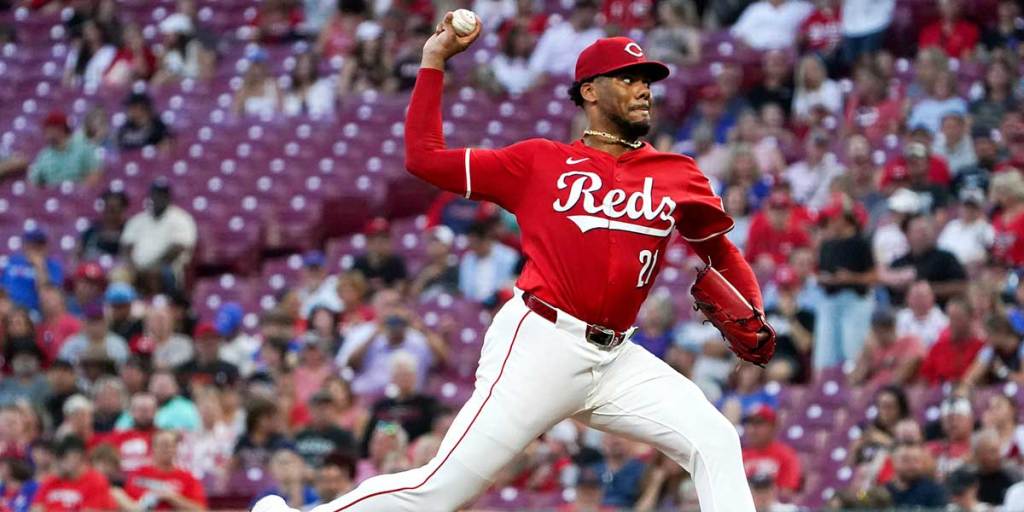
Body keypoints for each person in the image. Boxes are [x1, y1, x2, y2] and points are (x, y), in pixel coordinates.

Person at [257, 25, 773, 512]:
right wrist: (433, 61)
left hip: (616, 358)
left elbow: (719, 252)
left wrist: (753, 305)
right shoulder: (537, 163)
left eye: (648, 81)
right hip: (541, 344)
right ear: (590, 91)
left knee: (714, 437)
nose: (643, 90)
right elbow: (424, 157)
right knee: (441, 491)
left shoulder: (677, 173)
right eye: (629, 78)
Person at [814, 196, 875, 371]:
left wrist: (851, 278)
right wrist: (824, 279)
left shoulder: (860, 243)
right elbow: (821, 272)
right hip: (829, 300)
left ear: (843, 218)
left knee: (852, 353)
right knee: (825, 357)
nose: (830, 223)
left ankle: (854, 391)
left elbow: (874, 276)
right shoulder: (827, 244)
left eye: (833, 219)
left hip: (854, 301)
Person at [120, 179, 197, 295]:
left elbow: (178, 248)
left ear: (169, 197)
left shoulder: (181, 219)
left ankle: (159, 304)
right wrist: (133, 266)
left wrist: (152, 267)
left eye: (163, 194)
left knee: (157, 273)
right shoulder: (137, 220)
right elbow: (126, 247)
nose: (158, 198)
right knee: (119, 274)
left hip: (167, 267)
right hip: (136, 267)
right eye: (155, 194)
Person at [361, 352, 439, 456]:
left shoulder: (428, 404)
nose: (404, 379)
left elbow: (429, 435)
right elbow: (370, 436)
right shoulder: (381, 406)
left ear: (415, 377)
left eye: (407, 374)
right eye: (400, 375)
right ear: (392, 378)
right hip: (384, 455)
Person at [887, 215, 967, 306]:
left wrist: (928, 290)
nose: (925, 234)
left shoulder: (946, 258)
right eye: (919, 231)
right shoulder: (898, 264)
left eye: (927, 229)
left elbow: (962, 286)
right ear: (907, 235)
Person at [120, 430, 207, 510]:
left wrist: (171, 498)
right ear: (153, 448)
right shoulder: (138, 474)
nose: (167, 450)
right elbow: (126, 505)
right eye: (163, 445)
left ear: (176, 449)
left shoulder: (188, 478)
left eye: (171, 446)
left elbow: (199, 509)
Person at [30, 436, 116, 512]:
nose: (56, 463)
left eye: (61, 458)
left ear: (76, 457)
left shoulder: (96, 481)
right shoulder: (51, 481)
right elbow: (36, 508)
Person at [526, 0, 603, 79]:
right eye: (583, 8)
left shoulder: (597, 36)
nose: (587, 13)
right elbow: (536, 65)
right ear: (576, 9)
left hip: (578, 84)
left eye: (591, 10)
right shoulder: (555, 32)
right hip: (552, 82)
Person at [849, 308, 924, 386]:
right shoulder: (872, 348)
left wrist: (878, 390)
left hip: (894, 393)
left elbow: (902, 374)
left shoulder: (910, 342)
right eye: (877, 330)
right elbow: (854, 381)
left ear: (894, 327)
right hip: (871, 393)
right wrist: (866, 354)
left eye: (887, 329)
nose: (881, 334)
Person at [741, 405, 802, 498]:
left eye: (758, 423)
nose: (752, 429)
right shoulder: (741, 456)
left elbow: (786, 493)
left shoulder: (786, 455)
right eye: (749, 423)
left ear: (773, 426)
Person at [920, 299, 985, 385]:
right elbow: (924, 381)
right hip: (937, 395)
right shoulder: (937, 348)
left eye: (958, 319)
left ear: (971, 318)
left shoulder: (982, 348)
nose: (953, 323)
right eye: (951, 318)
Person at [27, 111, 101, 187]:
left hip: (79, 196)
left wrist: (80, 192)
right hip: (52, 196)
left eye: (49, 129)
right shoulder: (44, 155)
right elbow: (33, 182)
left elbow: (95, 174)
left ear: (60, 128)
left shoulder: (82, 148)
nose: (46, 134)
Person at [2, 227, 64, 315]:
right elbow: (4, 287)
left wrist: (39, 266)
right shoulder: (13, 262)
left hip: (35, 311)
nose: (36, 248)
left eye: (40, 244)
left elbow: (48, 295)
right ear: (25, 245)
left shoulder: (53, 266)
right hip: (9, 309)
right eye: (32, 244)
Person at [458, 220, 519, 302]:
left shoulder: (510, 257)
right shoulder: (468, 259)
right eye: (470, 243)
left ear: (486, 240)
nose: (472, 247)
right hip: (473, 306)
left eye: (475, 243)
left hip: (500, 304)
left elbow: (512, 286)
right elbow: (464, 290)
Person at [57, 303, 129, 365]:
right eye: (91, 321)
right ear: (83, 323)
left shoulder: (118, 343)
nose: (95, 326)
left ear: (107, 322)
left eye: (99, 321)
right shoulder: (71, 344)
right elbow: (62, 367)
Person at [730, 0, 813, 50]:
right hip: (756, 55)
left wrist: (801, 38)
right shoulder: (755, 8)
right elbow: (736, 33)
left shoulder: (803, 7)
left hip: (789, 53)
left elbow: (814, 29)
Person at [352, 218, 409, 292]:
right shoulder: (359, 263)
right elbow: (353, 289)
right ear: (367, 242)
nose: (379, 243)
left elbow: (401, 289)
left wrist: (383, 291)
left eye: (384, 238)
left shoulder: (397, 262)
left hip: (389, 301)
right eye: (373, 239)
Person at [885, 442, 948, 508]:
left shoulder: (935, 490)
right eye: (905, 460)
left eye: (916, 461)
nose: (911, 465)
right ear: (893, 462)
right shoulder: (885, 491)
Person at [927, 397, 976, 479]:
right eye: (949, 419)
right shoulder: (931, 449)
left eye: (959, 418)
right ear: (942, 422)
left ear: (971, 420)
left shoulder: (978, 446)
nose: (953, 423)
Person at [971, 429, 1020, 505]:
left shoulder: (1012, 476)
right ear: (978, 454)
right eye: (991, 451)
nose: (998, 456)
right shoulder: (969, 479)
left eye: (998, 451)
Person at [283, 50, 336, 118]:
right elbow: (288, 114)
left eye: (306, 65)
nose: (303, 68)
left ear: (313, 66)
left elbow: (326, 112)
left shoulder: (324, 86)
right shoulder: (290, 91)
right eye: (300, 65)